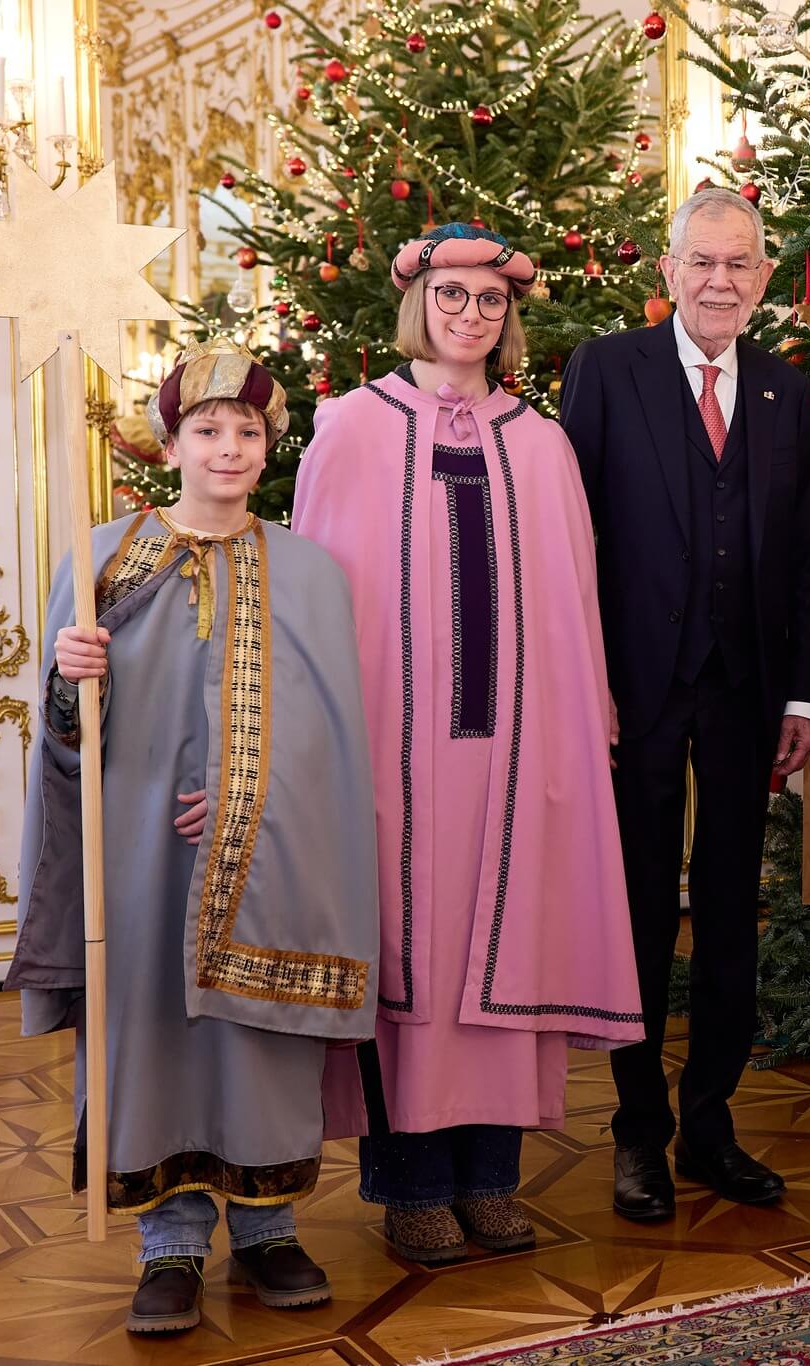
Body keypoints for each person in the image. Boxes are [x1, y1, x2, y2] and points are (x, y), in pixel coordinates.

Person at [11, 343, 379, 1333]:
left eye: (247, 431)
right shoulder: (98, 557)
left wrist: (252, 795)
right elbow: (61, 741)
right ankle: (167, 1242)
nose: (228, 448)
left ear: (271, 445)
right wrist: (66, 672)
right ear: (170, 442)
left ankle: (269, 1227)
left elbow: (337, 740)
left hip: (271, 855)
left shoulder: (308, 573)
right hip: (137, 850)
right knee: (150, 1028)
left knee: (257, 1039)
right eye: (207, 430)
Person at [294, 223, 644, 1265]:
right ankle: (408, 1186)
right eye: (453, 296)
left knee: (506, 946)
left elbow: (573, 597)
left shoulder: (537, 443)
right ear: (419, 303)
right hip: (390, 748)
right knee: (410, 950)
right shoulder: (350, 427)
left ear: (509, 317)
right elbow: (315, 592)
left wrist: (593, 710)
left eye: (490, 301)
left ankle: (489, 1176)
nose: (471, 316)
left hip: (514, 742)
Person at [559, 186, 810, 1221]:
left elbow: (805, 562)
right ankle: (637, 1131)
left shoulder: (784, 391)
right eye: (701, 262)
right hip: (632, 694)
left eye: (740, 264)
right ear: (667, 270)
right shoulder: (604, 370)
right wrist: (588, 684)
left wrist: (803, 691)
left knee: (727, 914)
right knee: (631, 908)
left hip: (747, 691)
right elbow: (569, 542)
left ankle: (711, 1121)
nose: (720, 281)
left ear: (763, 279)